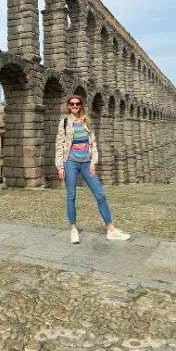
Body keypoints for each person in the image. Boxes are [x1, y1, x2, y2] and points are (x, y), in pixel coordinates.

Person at [55, 95, 131, 244]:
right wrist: (60, 166)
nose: (75, 106)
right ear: (68, 106)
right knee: (71, 195)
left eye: (77, 104)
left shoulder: (86, 122)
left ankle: (111, 229)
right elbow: (59, 145)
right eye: (72, 104)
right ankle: (73, 229)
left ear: (81, 106)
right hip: (70, 162)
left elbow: (93, 144)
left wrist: (93, 162)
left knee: (100, 194)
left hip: (86, 163)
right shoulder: (64, 123)